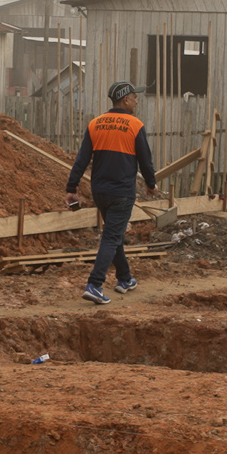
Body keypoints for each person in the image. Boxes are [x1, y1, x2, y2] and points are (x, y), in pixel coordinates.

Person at [66, 81, 157, 305]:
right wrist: (151, 184)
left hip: (100, 191)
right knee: (111, 236)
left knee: (113, 235)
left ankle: (125, 278)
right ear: (125, 99)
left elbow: (82, 160)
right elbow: (145, 160)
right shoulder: (135, 125)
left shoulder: (95, 124)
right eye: (135, 97)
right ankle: (94, 284)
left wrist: (71, 188)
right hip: (122, 192)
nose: (137, 101)